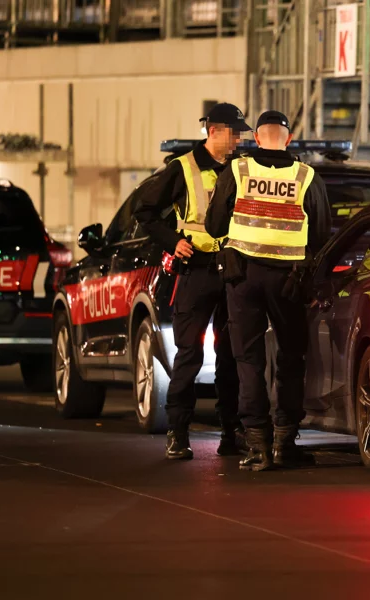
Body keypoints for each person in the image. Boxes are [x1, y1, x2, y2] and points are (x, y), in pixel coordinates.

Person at [205, 110, 332, 471]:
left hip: (243, 277)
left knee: (248, 360)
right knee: (291, 358)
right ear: (289, 139)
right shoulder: (306, 176)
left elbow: (214, 226)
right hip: (289, 280)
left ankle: (257, 445)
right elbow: (321, 234)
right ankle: (284, 443)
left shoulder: (238, 171)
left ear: (257, 138)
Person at [134, 102, 251, 460]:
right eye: (234, 133)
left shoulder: (241, 168)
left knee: (231, 355)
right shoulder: (182, 168)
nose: (238, 140)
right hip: (197, 270)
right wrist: (173, 242)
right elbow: (144, 211)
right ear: (214, 131)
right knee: (189, 354)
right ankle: (178, 433)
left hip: (232, 270)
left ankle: (231, 432)